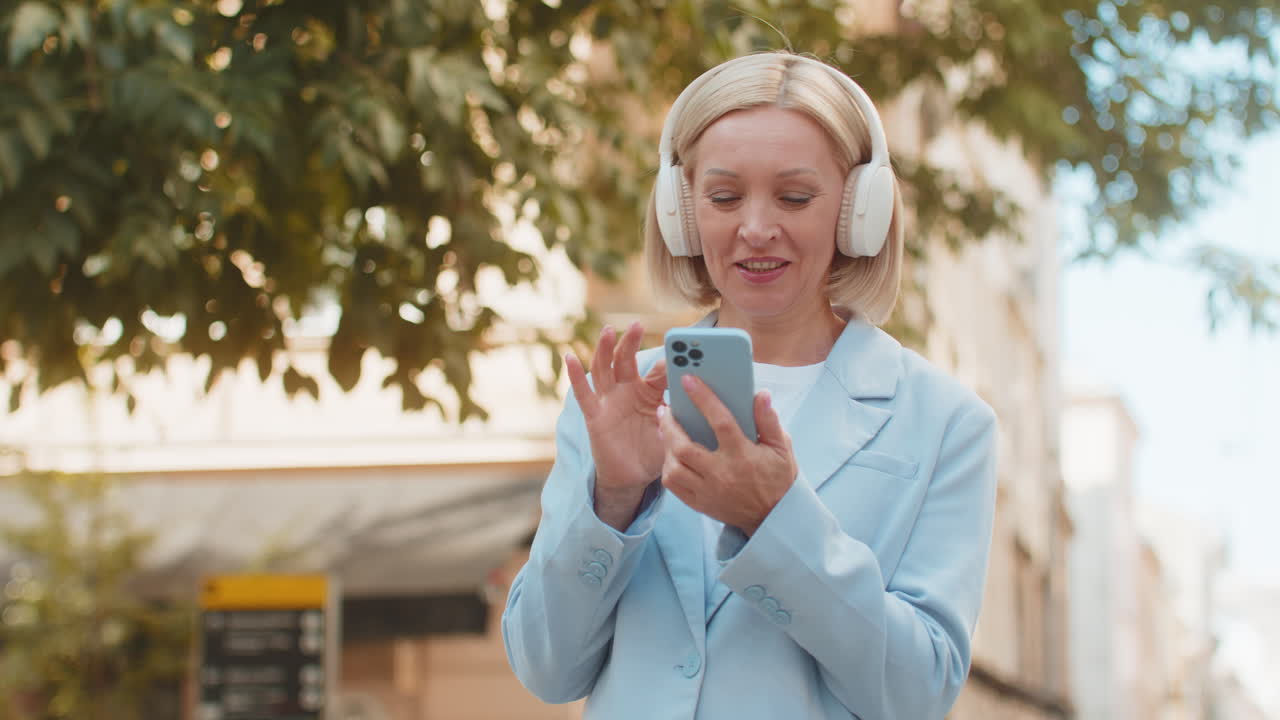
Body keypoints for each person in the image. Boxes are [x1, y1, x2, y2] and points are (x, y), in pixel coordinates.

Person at [502, 51, 999, 720]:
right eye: (724, 196)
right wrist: (613, 500)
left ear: (859, 213)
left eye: (794, 197)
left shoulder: (945, 422)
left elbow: (918, 693)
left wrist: (775, 522)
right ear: (681, 212)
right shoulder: (618, 399)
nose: (756, 228)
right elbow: (545, 668)